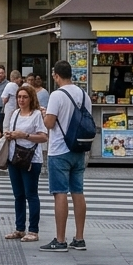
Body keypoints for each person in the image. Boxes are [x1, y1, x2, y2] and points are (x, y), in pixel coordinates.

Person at [41, 61, 91, 252]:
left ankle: (60, 239)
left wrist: (45, 114)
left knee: (60, 193)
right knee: (78, 191)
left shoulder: (57, 95)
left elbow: (50, 123)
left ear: (56, 75)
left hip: (60, 149)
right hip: (79, 148)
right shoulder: (83, 94)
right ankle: (79, 237)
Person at [3, 84, 46, 242]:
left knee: (31, 194)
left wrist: (25, 135)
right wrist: (10, 135)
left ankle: (33, 230)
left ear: (31, 98)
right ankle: (19, 228)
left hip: (31, 158)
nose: (21, 100)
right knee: (18, 195)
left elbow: (43, 136)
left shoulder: (36, 115)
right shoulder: (15, 113)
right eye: (19, 97)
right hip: (14, 157)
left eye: (24, 97)